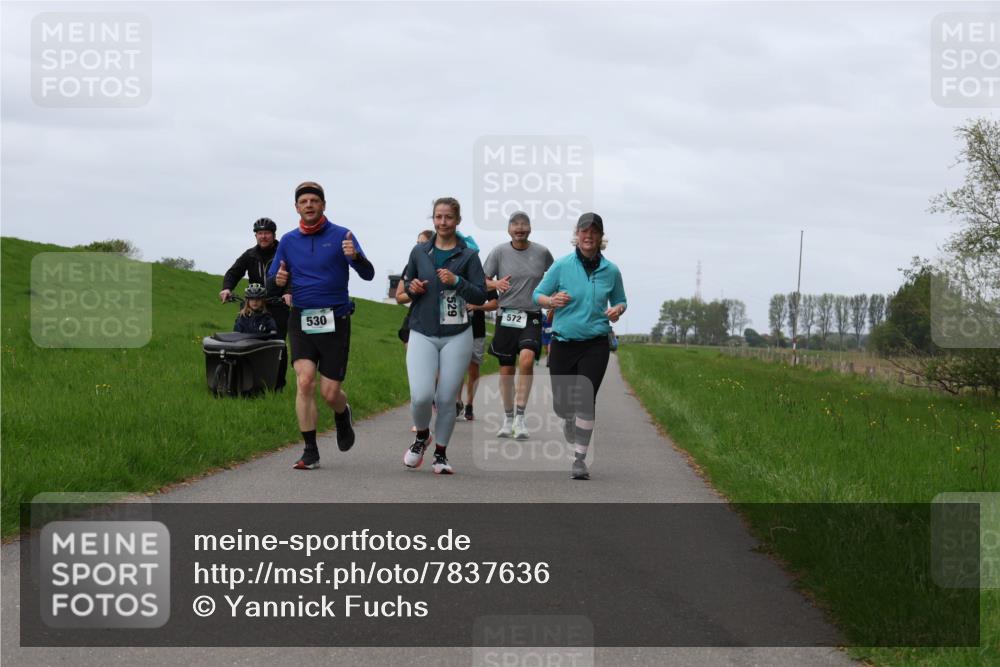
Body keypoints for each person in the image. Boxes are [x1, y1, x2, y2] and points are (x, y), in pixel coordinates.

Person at [267, 181, 375, 470]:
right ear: (296, 208)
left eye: (314, 200)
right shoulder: (288, 241)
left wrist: (355, 257)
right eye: (304, 202)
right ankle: (310, 451)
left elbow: (368, 274)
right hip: (301, 318)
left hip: (335, 319)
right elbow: (271, 282)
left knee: (329, 393)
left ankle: (342, 412)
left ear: (323, 205)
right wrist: (277, 281)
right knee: (304, 381)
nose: (309, 205)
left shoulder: (342, 235)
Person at [533, 212, 627, 480]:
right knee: (563, 405)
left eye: (594, 232)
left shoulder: (611, 270)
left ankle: (579, 460)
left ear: (601, 237)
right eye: (584, 231)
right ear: (577, 234)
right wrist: (551, 301)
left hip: (595, 343)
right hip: (563, 342)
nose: (589, 236)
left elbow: (620, 300)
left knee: (586, 399)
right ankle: (568, 418)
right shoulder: (562, 265)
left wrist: (617, 310)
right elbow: (537, 294)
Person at [400, 197, 487, 474]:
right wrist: (413, 288)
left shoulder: (469, 256)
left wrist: (457, 281)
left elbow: (481, 295)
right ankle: (422, 436)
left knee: (447, 398)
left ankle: (441, 454)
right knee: (421, 396)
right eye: (438, 217)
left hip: (457, 333)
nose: (443, 222)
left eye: (448, 217)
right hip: (422, 330)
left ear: (457, 220)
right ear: (433, 219)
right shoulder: (419, 252)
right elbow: (404, 289)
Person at [483, 211, 554, 439]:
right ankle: (508, 418)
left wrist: (552, 302)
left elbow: (556, 277)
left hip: (532, 315)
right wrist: (495, 284)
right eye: (515, 224)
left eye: (524, 224)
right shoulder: (499, 252)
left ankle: (520, 418)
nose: (520, 228)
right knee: (506, 370)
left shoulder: (542, 253)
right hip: (506, 315)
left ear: (530, 229)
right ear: (509, 229)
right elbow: (481, 280)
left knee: (526, 359)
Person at [221, 217, 290, 389]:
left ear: (274, 235)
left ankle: (277, 386)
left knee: (278, 345)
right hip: (253, 304)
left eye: (267, 233)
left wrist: (288, 293)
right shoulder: (250, 255)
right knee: (243, 341)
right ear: (256, 236)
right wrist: (227, 288)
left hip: (277, 305)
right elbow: (234, 272)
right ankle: (243, 381)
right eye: (260, 233)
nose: (263, 236)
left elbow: (293, 275)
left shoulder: (283, 253)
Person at [458, 288, 498, 421]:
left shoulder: (485, 281)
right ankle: (457, 402)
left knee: (473, 370)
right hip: (455, 329)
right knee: (457, 369)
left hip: (477, 330)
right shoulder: (453, 277)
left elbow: (495, 304)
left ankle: (469, 404)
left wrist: (477, 307)